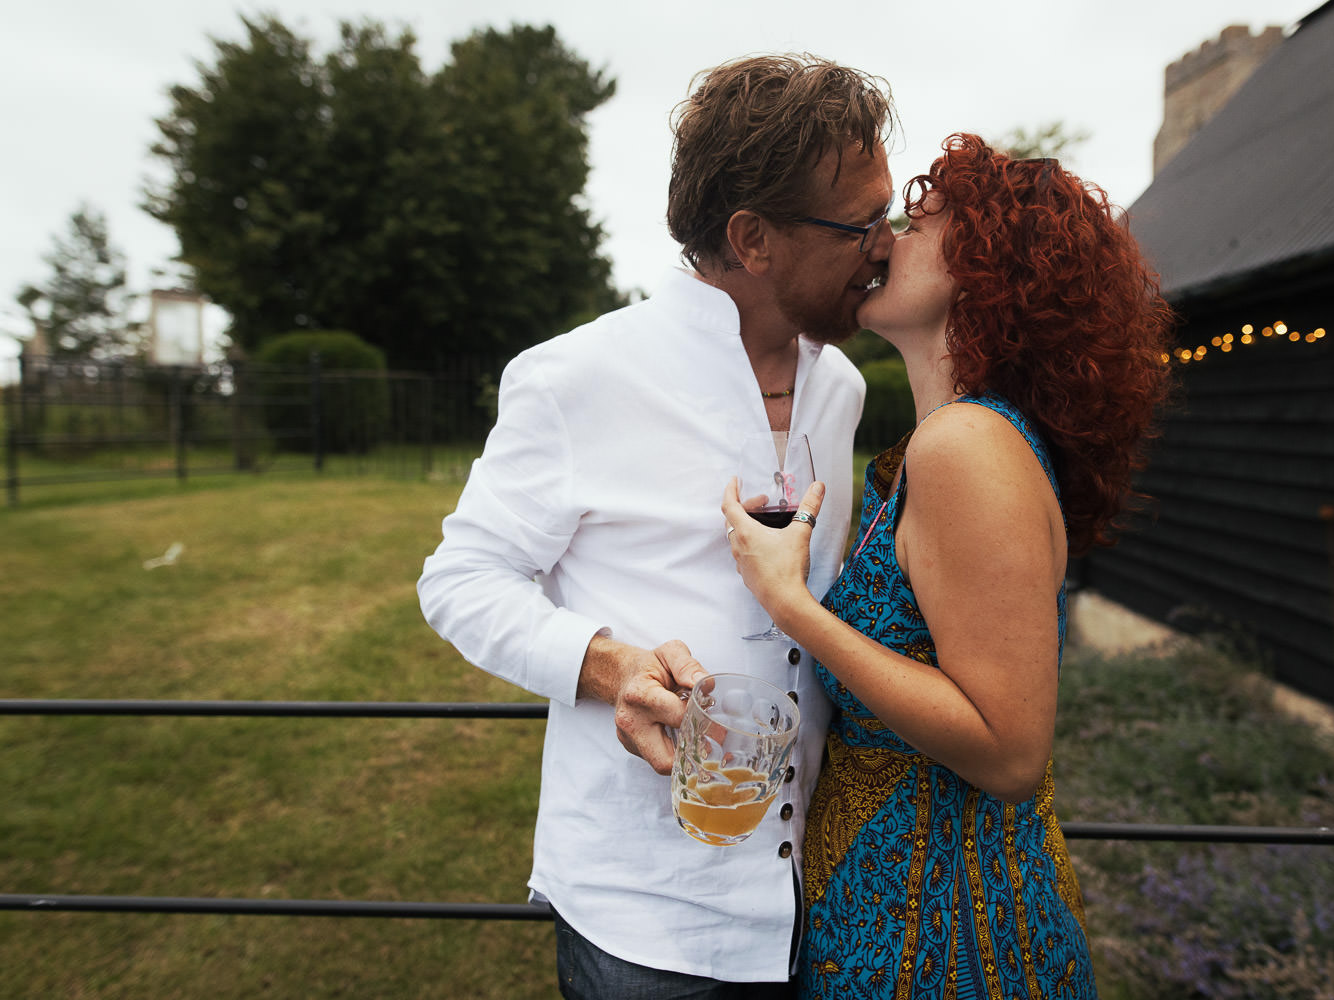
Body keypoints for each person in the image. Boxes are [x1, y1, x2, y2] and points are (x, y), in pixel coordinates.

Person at [417, 54, 896, 997]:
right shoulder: (575, 378)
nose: (887, 246)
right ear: (753, 237)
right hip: (647, 918)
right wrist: (608, 665)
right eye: (861, 224)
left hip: (818, 896)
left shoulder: (838, 387)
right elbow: (459, 581)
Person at [722, 134, 1174, 999]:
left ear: (986, 269)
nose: (881, 239)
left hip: (946, 943)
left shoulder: (967, 447)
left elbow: (1009, 752)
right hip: (894, 924)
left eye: (918, 223)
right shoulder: (945, 443)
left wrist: (790, 603)